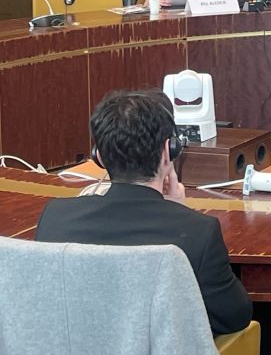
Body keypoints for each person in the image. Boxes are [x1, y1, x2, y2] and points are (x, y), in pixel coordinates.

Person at [35, 89, 252, 336]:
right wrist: (179, 214)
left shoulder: (55, 217)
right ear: (168, 151)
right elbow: (235, 317)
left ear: (100, 157)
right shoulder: (199, 232)